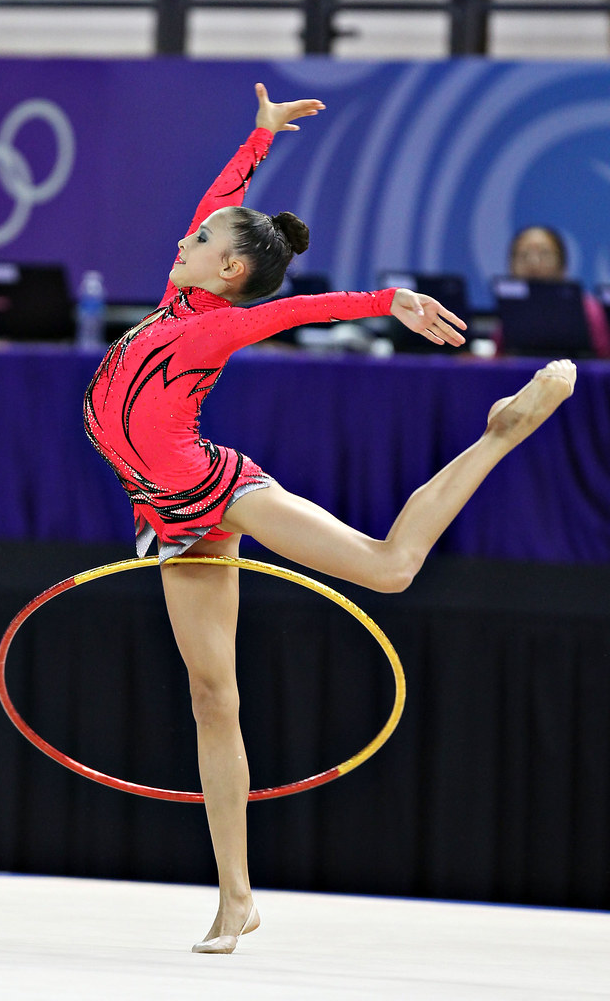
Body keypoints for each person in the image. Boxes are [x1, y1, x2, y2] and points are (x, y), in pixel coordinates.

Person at [83, 83, 576, 954]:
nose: (186, 238)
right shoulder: (179, 294)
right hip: (161, 513)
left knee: (388, 569)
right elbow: (219, 203)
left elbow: (290, 310)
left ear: (226, 270)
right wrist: (259, 136)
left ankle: (502, 431)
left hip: (215, 490)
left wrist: (387, 300)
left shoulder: (206, 329)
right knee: (212, 698)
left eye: (202, 242)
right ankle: (236, 897)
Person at [507, 225, 610, 358]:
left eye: (544, 253)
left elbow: (604, 357)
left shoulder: (589, 309)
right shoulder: (510, 310)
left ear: (562, 263)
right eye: (524, 254)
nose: (533, 262)